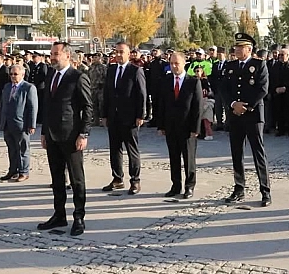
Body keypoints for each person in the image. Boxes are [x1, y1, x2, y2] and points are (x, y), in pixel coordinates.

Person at [37, 42, 94, 236]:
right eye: (51, 54)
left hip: (71, 137)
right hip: (52, 136)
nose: (52, 57)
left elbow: (88, 108)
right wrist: (44, 132)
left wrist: (83, 134)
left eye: (56, 54)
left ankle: (79, 217)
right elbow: (47, 106)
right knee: (57, 178)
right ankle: (59, 214)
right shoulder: (51, 75)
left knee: (77, 179)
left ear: (67, 56)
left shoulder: (77, 77)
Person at [223, 32, 271, 207]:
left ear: (249, 49)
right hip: (235, 116)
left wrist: (246, 106)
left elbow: (262, 89)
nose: (236, 49)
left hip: (253, 115)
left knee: (258, 153)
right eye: (236, 47)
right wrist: (233, 104)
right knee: (237, 153)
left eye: (240, 47)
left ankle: (265, 191)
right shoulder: (230, 66)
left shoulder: (259, 65)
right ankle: (239, 188)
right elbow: (224, 89)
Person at [101, 42, 147, 195]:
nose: (119, 55)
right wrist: (104, 114)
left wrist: (141, 115)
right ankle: (117, 178)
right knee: (115, 149)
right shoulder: (111, 69)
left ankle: (135, 180)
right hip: (113, 117)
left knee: (131, 149)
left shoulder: (135, 70)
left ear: (129, 54)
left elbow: (142, 94)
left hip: (130, 117)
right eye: (117, 52)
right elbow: (106, 93)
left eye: (122, 52)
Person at [157, 51, 202, 199]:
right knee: (174, 157)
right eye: (171, 63)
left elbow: (197, 107)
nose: (174, 66)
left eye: (177, 63)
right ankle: (176, 185)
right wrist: (161, 125)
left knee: (188, 158)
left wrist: (195, 129)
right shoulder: (166, 80)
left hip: (187, 127)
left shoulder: (193, 82)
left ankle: (189, 186)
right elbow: (162, 104)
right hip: (171, 126)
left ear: (184, 64)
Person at [0, 64, 38, 182]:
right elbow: (2, 104)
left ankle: (24, 171)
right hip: (7, 123)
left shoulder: (29, 88)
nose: (13, 76)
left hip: (21, 124)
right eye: (11, 74)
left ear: (22, 74)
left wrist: (32, 124)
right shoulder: (7, 87)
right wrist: (0, 120)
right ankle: (13, 170)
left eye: (15, 74)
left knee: (22, 148)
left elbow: (32, 107)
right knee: (11, 148)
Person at [269, 48, 289, 136]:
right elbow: (271, 79)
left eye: (282, 55)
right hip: (277, 93)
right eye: (279, 55)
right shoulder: (275, 66)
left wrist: (286, 87)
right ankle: (280, 129)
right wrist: (275, 89)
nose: (280, 57)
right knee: (278, 111)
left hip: (288, 93)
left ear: (287, 56)